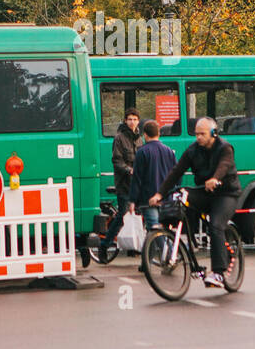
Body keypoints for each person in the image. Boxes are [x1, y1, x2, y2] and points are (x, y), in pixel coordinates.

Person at [150, 116, 240, 288]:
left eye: (202, 134)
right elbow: (176, 171)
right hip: (205, 192)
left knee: (215, 226)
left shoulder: (225, 148)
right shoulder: (193, 150)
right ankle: (184, 241)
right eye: (196, 134)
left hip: (226, 194)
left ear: (214, 133)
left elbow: (225, 165)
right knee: (181, 197)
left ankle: (219, 273)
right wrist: (159, 194)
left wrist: (215, 178)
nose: (198, 137)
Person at [126, 119, 177, 271]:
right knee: (156, 230)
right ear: (159, 133)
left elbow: (137, 179)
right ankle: (146, 263)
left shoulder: (142, 152)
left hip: (148, 199)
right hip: (166, 197)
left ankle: (169, 257)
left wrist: (132, 200)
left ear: (145, 135)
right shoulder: (169, 150)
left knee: (154, 230)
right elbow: (176, 174)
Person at [97, 109, 141, 263]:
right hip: (124, 184)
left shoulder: (139, 139)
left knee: (138, 215)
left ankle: (134, 247)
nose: (132, 122)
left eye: (135, 119)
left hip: (137, 185)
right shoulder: (119, 138)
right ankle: (104, 245)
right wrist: (129, 170)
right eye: (129, 119)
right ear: (125, 121)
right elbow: (116, 160)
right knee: (122, 216)